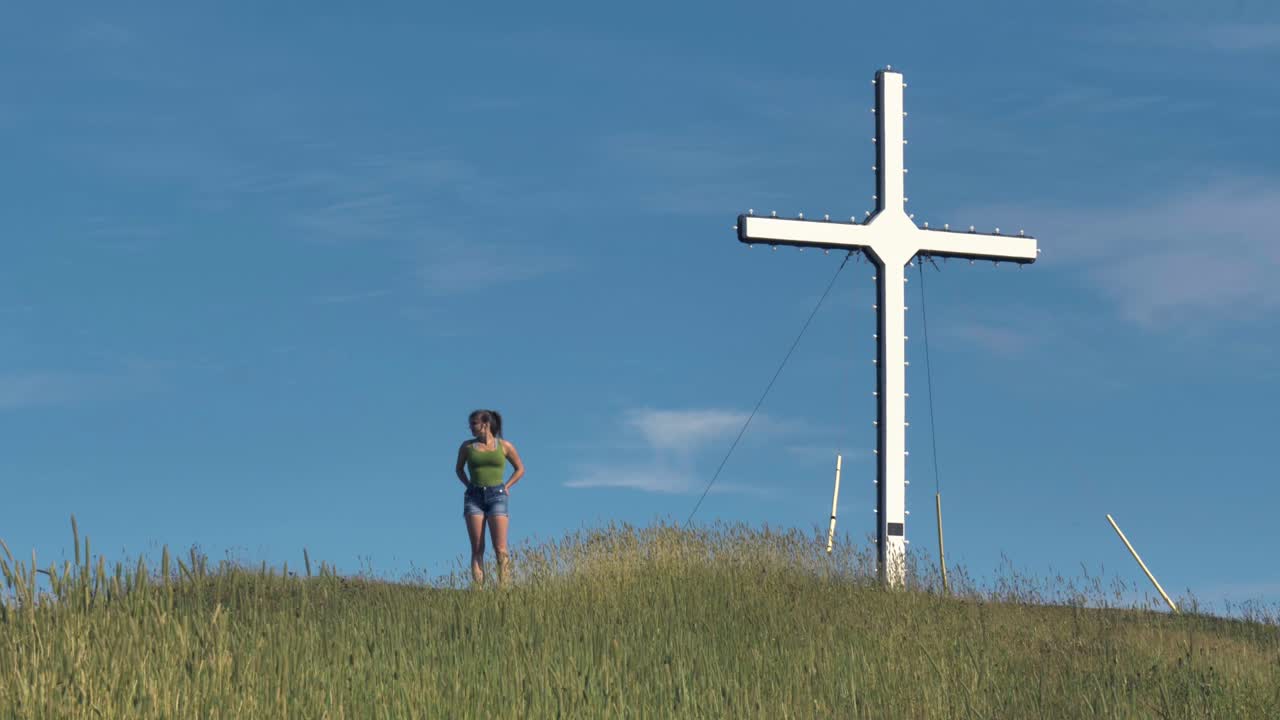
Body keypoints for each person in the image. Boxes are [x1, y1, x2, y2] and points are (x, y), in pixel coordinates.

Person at [455, 409, 524, 586]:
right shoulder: (467, 447)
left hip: (497, 497)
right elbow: (459, 469)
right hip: (474, 497)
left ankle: (504, 589)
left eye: (474, 424)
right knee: (477, 548)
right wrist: (468, 484)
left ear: (485, 424)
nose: (470, 428)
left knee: (500, 548)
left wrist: (507, 486)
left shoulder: (504, 446)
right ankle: (479, 590)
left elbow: (520, 469)